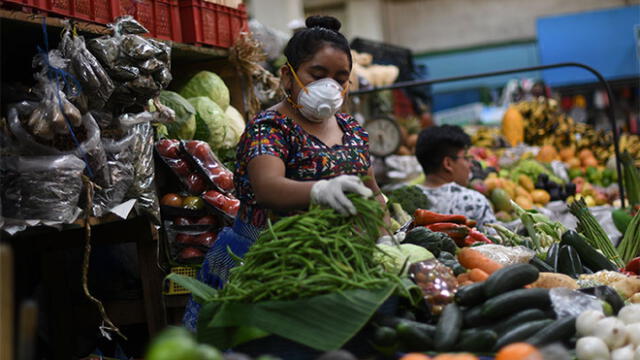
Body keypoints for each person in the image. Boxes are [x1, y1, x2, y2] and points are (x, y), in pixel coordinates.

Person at [183, 15, 387, 330]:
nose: (329, 86)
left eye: (340, 77)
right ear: (287, 76)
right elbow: (267, 187)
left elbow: (372, 191)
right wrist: (319, 191)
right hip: (263, 265)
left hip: (336, 266)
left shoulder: (352, 128)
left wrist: (385, 237)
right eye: (317, 74)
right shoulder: (270, 127)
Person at [414, 125, 496, 230]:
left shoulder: (404, 204)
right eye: (466, 158)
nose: (470, 165)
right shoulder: (474, 201)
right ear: (448, 164)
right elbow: (495, 241)